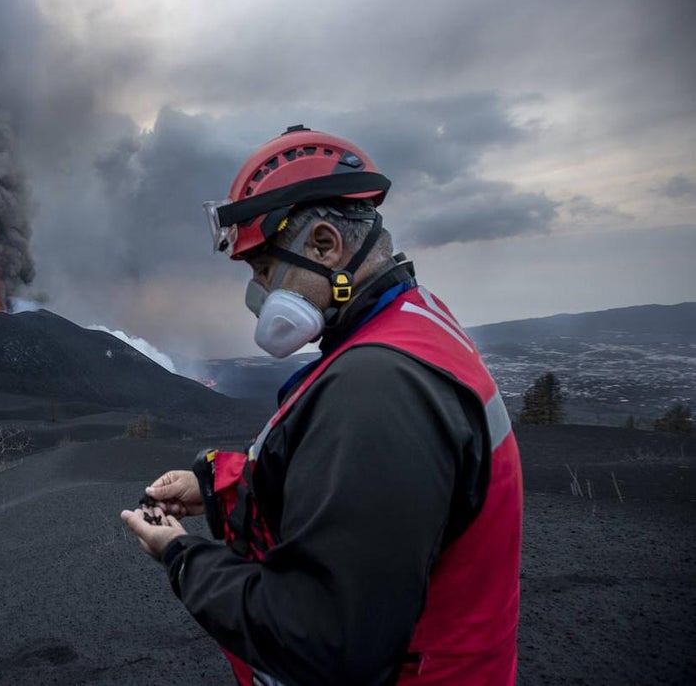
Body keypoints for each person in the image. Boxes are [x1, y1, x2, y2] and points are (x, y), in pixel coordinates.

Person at [120, 126, 523, 685]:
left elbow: (321, 639)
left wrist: (182, 556)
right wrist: (218, 485)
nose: (256, 294)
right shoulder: (413, 321)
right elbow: (364, 494)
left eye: (263, 269)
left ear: (326, 245)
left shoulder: (378, 387)